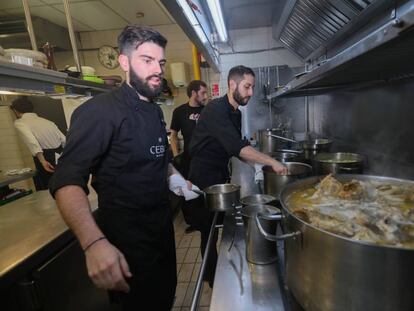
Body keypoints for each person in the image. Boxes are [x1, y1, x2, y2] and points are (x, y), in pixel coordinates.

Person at [49, 26, 190, 311]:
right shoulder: (99, 112)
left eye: (160, 63)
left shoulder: (153, 109)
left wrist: (176, 178)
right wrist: (94, 244)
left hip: (161, 234)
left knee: (165, 299)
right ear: (124, 62)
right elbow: (66, 180)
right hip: (127, 244)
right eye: (146, 60)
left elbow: (155, 159)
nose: (157, 70)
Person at [187, 65, 288, 286]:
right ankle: (212, 278)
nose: (251, 92)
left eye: (252, 87)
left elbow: (235, 147)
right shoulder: (215, 110)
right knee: (208, 229)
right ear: (232, 84)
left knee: (218, 225)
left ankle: (217, 270)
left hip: (219, 173)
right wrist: (271, 161)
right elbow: (238, 147)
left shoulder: (234, 112)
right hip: (202, 177)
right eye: (247, 86)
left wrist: (257, 167)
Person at [170, 80, 208, 233]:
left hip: (205, 159)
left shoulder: (207, 111)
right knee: (188, 191)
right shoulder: (179, 112)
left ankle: (206, 219)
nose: (206, 96)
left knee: (204, 190)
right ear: (193, 93)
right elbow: (173, 135)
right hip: (188, 159)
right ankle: (193, 222)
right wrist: (175, 155)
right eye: (203, 93)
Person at [11, 97, 66, 190]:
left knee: (50, 188)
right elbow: (64, 140)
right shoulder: (47, 121)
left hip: (45, 158)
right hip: (61, 157)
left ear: (16, 110)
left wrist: (42, 161)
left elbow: (32, 142)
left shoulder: (20, 123)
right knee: (63, 185)